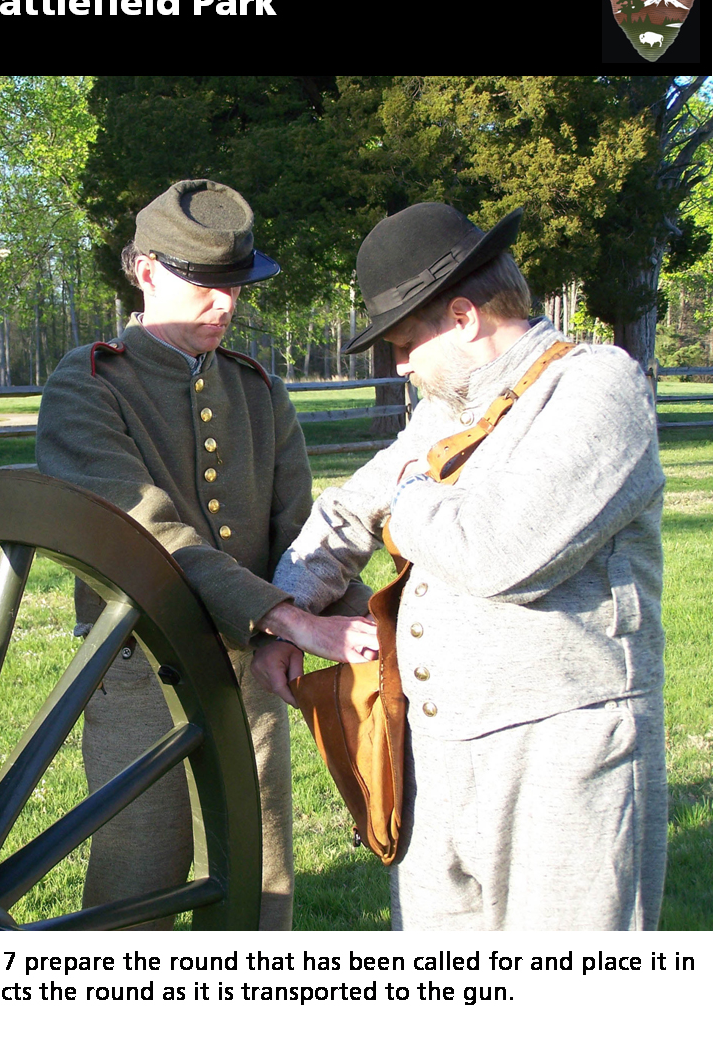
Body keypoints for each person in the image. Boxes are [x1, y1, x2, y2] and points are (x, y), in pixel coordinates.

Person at [254, 201, 668, 930]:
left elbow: (499, 552)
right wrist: (287, 616)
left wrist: (407, 497)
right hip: (432, 759)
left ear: (465, 317)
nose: (402, 365)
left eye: (408, 343)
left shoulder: (599, 388)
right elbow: (348, 509)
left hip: (564, 758)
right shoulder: (446, 413)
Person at [35, 179, 375, 929]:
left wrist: (370, 623)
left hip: (251, 666)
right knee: (138, 873)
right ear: (145, 269)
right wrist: (284, 619)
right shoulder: (88, 384)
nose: (225, 305)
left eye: (236, 287)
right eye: (205, 284)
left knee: (259, 875)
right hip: (135, 666)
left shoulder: (259, 389)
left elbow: (299, 533)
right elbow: (149, 534)